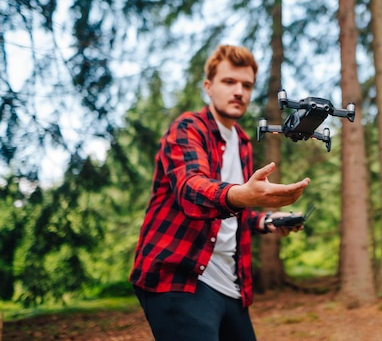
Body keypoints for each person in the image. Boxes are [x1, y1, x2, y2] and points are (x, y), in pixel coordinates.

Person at [129, 44, 311, 341]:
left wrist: (266, 220)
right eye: (229, 82)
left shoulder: (241, 142)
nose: (239, 91)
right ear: (208, 87)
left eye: (247, 85)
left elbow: (234, 210)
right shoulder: (187, 128)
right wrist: (241, 195)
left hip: (231, 283)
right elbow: (191, 188)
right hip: (180, 278)